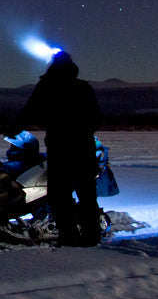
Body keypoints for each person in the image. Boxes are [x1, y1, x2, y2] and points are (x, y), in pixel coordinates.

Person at [13, 51, 103, 246]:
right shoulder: (82, 87)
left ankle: (69, 236)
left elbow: (29, 111)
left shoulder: (47, 86)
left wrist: (11, 129)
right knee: (86, 196)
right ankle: (91, 237)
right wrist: (82, 131)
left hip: (60, 149)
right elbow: (96, 117)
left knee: (60, 197)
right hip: (83, 149)